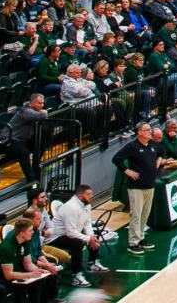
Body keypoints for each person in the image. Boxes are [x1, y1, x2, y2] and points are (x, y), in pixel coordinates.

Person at [111, 122, 164, 254]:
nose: (150, 132)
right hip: (136, 187)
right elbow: (116, 159)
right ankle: (133, 243)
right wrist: (127, 171)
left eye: (150, 130)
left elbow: (162, 151)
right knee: (136, 214)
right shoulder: (132, 146)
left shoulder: (152, 144)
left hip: (150, 184)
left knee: (145, 214)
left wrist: (158, 160)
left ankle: (141, 238)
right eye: (147, 130)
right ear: (139, 132)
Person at [48, 184, 108, 286]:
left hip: (69, 234)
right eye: (89, 194)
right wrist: (88, 238)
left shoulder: (86, 205)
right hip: (55, 237)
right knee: (77, 243)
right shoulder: (71, 207)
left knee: (94, 237)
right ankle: (76, 275)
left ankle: (92, 263)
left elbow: (87, 223)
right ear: (80, 196)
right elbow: (70, 232)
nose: (92, 196)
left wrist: (91, 237)